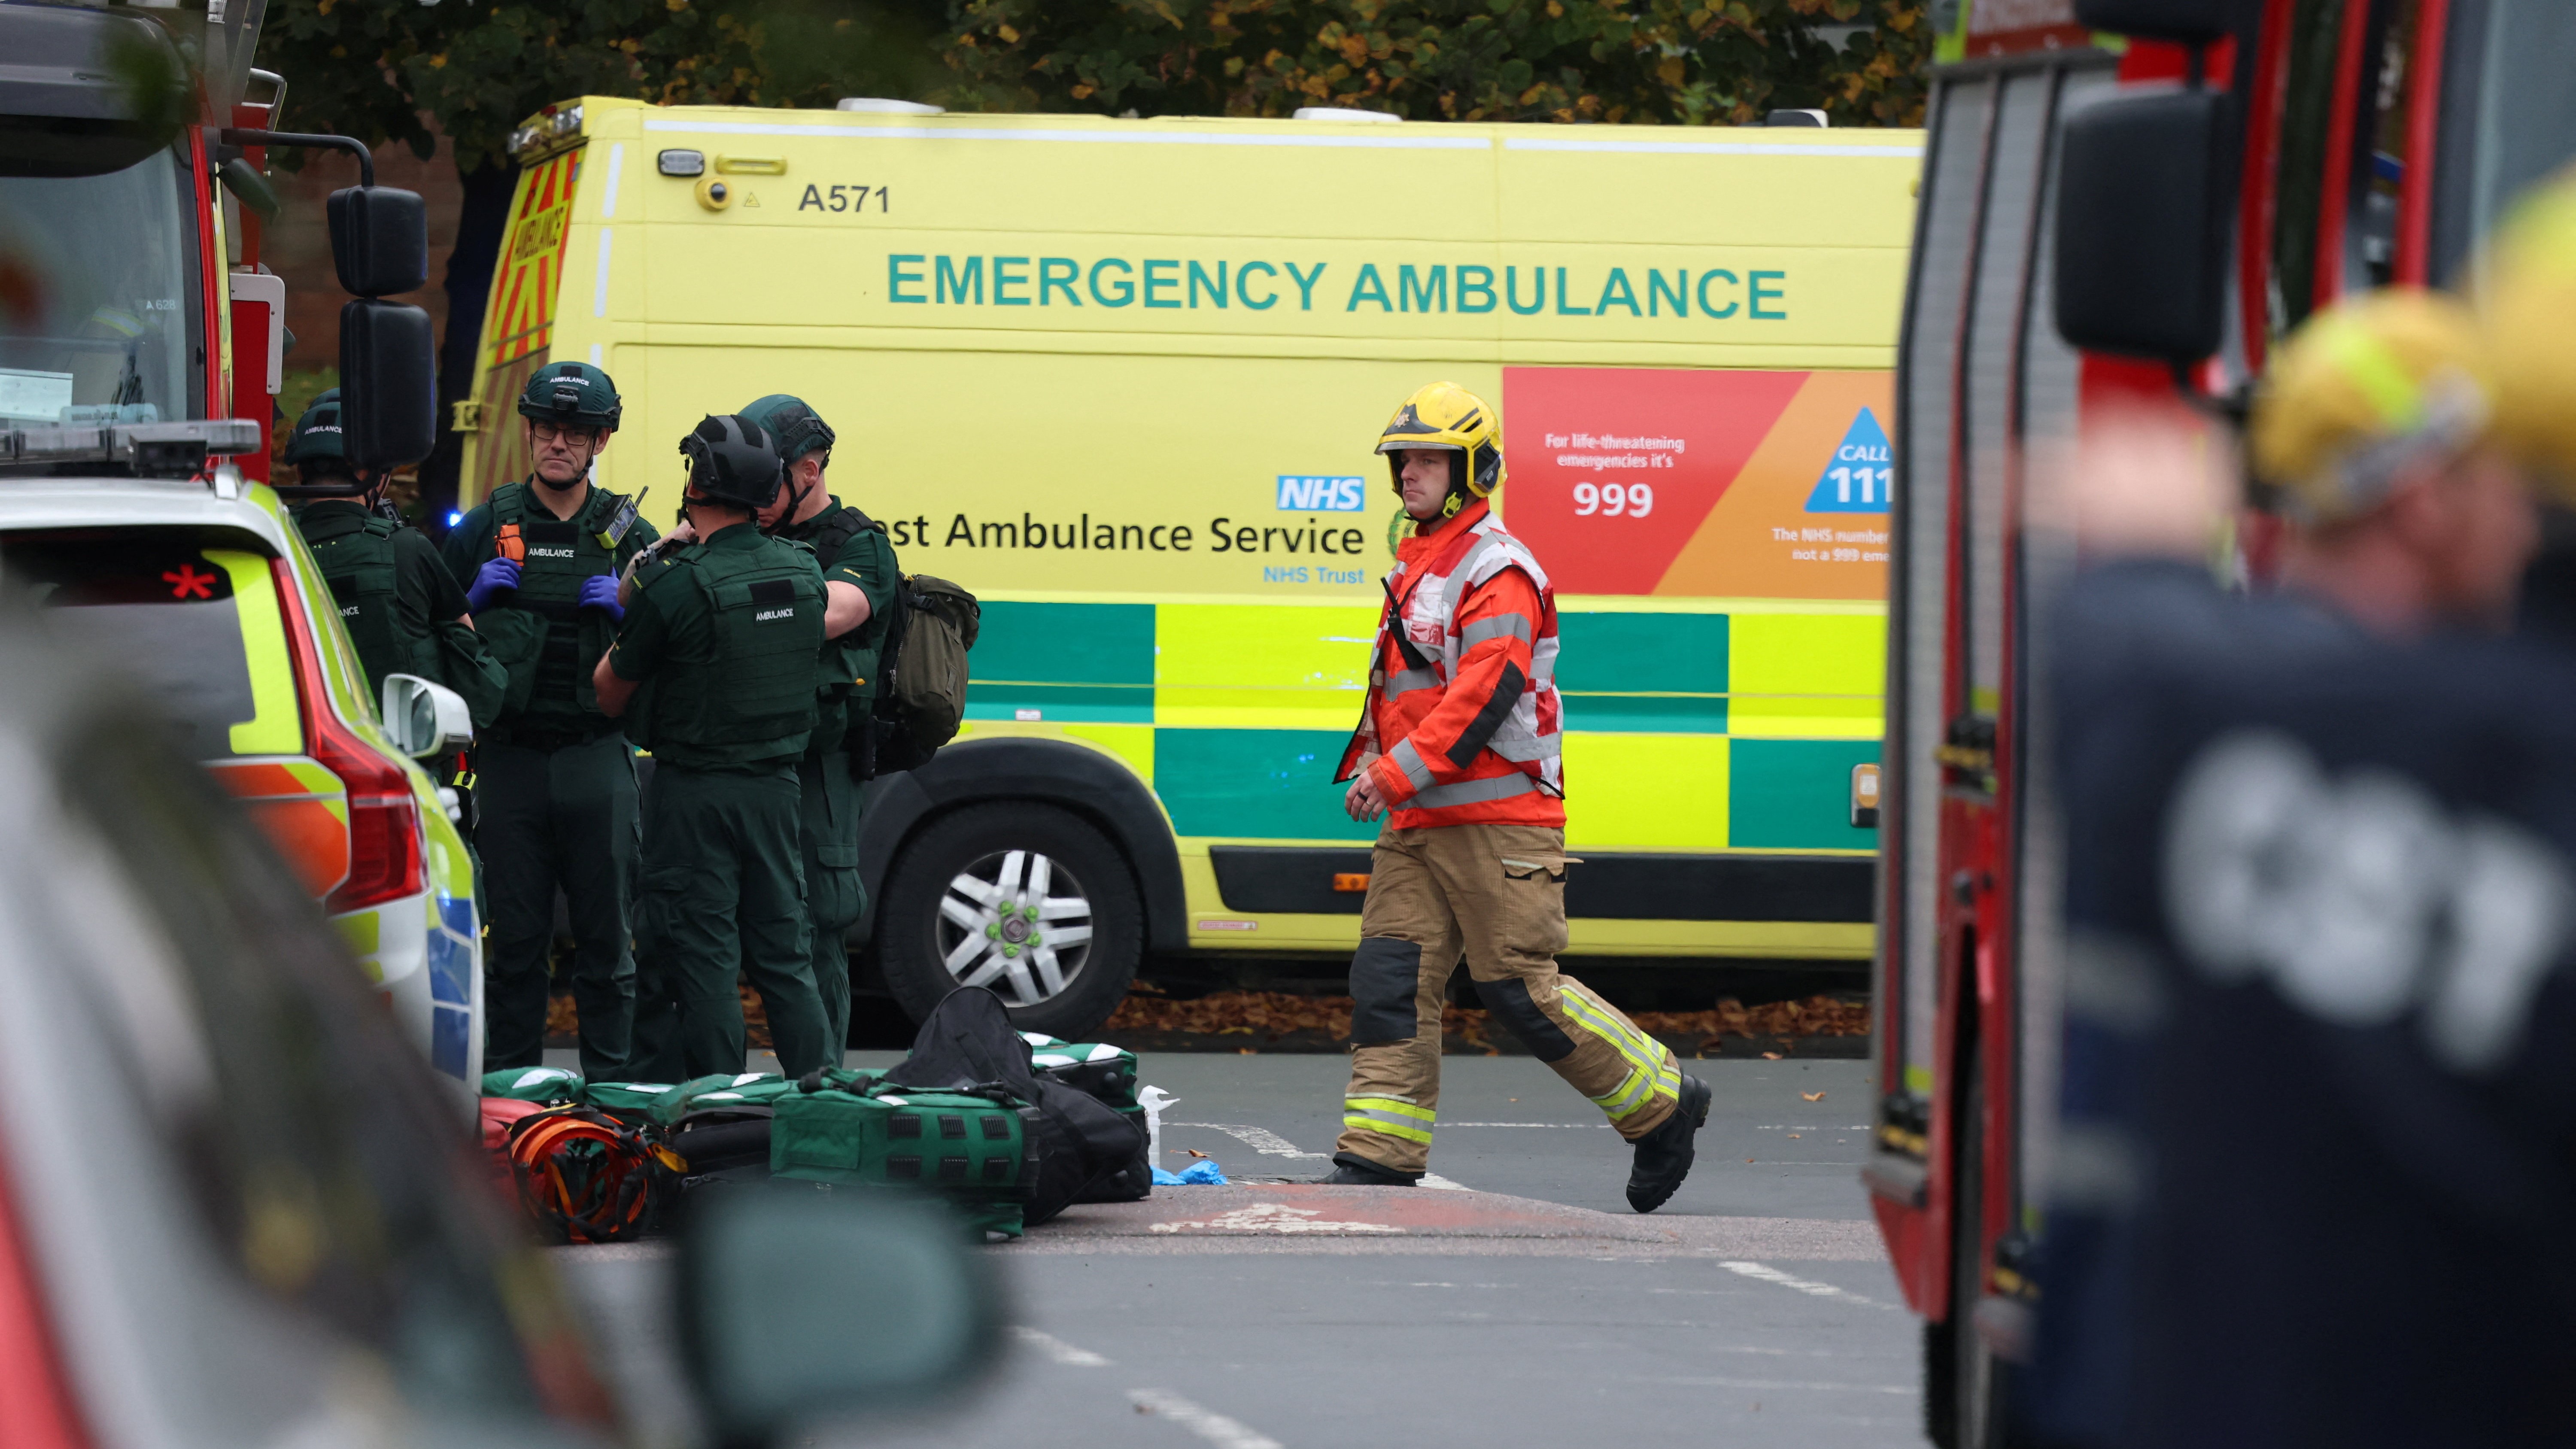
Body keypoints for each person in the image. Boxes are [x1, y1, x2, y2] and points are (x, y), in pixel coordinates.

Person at [2024, 282, 2576, 1447]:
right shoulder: (2500, 756)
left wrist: (2138, 555)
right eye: (2508, 486)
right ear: (2426, 500)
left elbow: (2116, 642)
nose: (2528, 524)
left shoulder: (2183, 728)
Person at [1323, 380, 1710, 1211]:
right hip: (1422, 822)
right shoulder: (1423, 561)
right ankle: (1379, 1154)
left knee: (1519, 991)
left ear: (1472, 469)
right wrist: (1383, 767)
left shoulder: (1496, 567)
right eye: (1402, 459)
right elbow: (1412, 692)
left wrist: (1391, 773)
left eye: (1428, 458)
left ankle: (1663, 1103)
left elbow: (1482, 694)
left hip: (1499, 824)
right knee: (1392, 981)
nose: (1408, 474)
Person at [594, 414, 832, 1080]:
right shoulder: (806, 573)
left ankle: (722, 1117)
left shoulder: (675, 581)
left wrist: (653, 562)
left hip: (695, 794)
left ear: (696, 483)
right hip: (777, 791)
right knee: (786, 957)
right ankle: (823, 1107)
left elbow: (609, 692)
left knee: (705, 961)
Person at [441, 363, 659, 1080]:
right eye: (546, 428)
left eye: (575, 432)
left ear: (599, 441)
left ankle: (616, 1101)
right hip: (511, 762)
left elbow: (678, 642)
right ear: (529, 432)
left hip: (599, 757)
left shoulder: (633, 536)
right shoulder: (485, 527)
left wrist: (629, 612)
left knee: (607, 948)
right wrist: (470, 596)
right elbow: (434, 636)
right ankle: (510, 1099)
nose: (557, 443)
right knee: (516, 948)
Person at [742, 393, 900, 1056]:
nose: (747, 491)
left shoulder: (856, 543)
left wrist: (733, 584)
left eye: (763, 475)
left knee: (814, 927)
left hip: (819, 765)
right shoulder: (747, 531)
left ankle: (823, 1092)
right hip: (746, 757)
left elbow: (833, 612)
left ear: (809, 470)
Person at [276, 391, 504, 723]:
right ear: (376, 475)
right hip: (400, 761)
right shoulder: (407, 548)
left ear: (299, 474)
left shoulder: (270, 547)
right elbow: (477, 675)